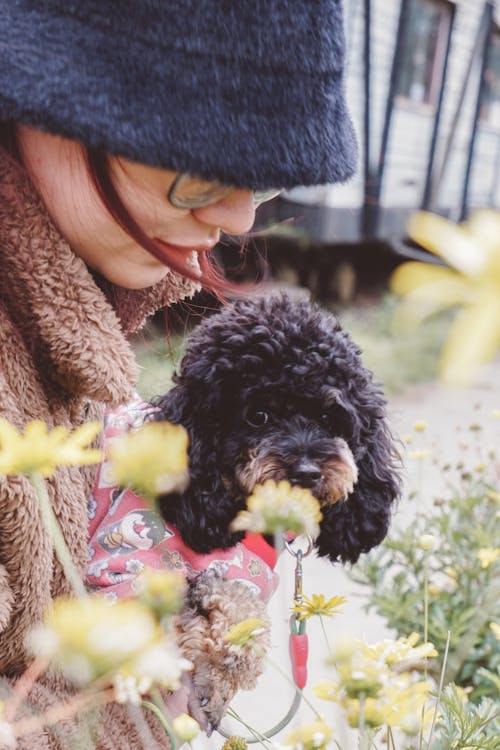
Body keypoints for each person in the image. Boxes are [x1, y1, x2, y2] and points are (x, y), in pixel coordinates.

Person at [0, 1, 357, 748]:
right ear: (39, 96)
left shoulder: (84, 336)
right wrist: (154, 720)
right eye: (199, 171)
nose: (235, 219)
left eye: (260, 183)